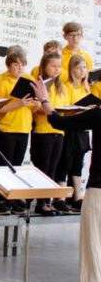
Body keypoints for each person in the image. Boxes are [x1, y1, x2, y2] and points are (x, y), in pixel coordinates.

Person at [32, 78, 101, 282]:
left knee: (93, 261)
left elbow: (60, 122)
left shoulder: (98, 113)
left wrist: (45, 100)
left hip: (99, 192)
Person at [0, 47, 39, 215]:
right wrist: (19, 103)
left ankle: (12, 198)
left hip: (23, 128)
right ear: (9, 66)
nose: (20, 68)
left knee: (15, 166)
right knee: (1, 165)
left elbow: (33, 106)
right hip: (5, 129)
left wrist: (37, 104)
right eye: (16, 65)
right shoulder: (1, 81)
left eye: (23, 65)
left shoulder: (29, 79)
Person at [30, 52, 69, 216]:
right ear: (44, 66)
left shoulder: (62, 86)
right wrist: (46, 108)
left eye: (59, 66)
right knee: (43, 167)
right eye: (53, 66)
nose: (57, 69)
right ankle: (39, 202)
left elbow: (65, 107)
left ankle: (47, 200)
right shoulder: (40, 85)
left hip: (58, 131)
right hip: (43, 130)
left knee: (53, 168)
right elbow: (35, 107)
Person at [55, 55, 92, 212]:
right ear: (71, 69)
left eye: (84, 67)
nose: (82, 71)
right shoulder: (66, 86)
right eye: (78, 67)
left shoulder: (86, 87)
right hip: (71, 129)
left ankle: (77, 197)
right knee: (65, 163)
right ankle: (60, 197)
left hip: (83, 130)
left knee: (78, 164)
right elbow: (65, 108)